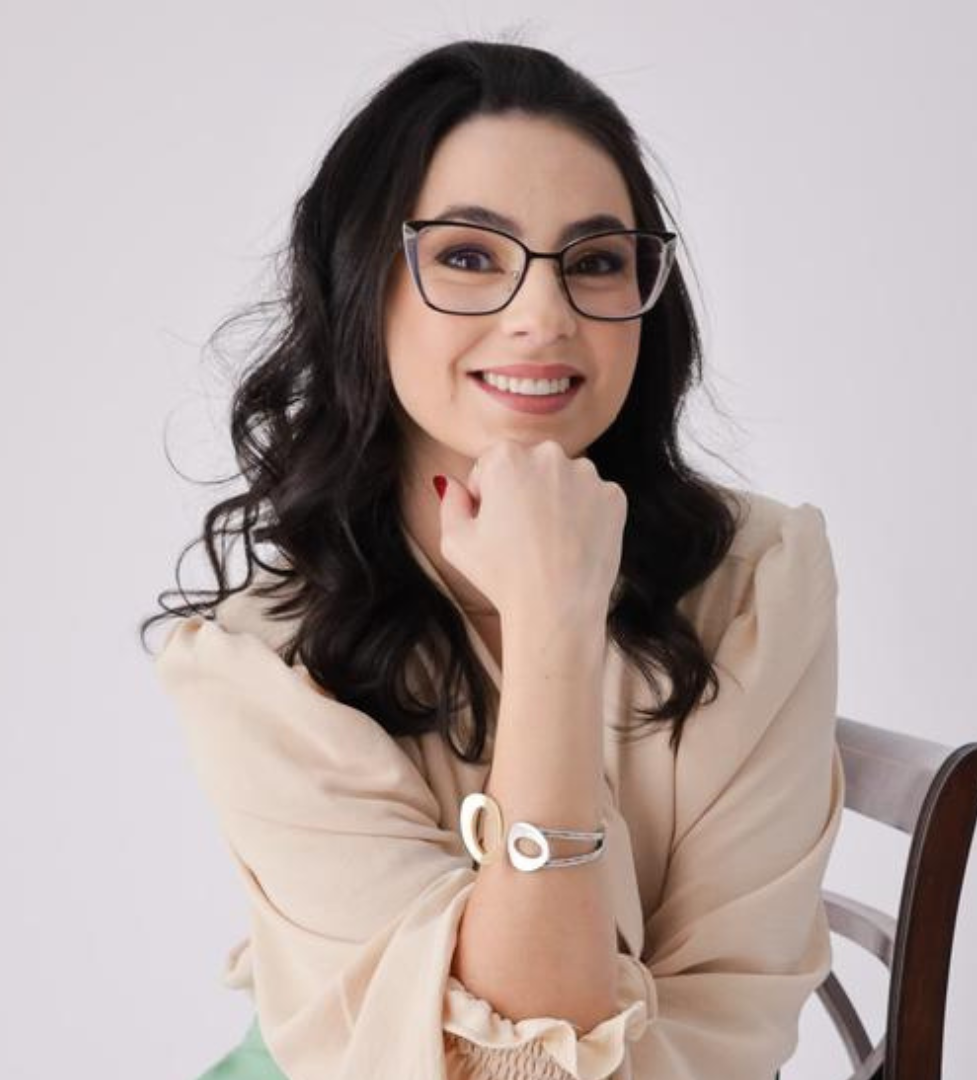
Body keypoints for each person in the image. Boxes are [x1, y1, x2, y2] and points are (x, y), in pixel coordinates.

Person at [142, 35, 844, 1080]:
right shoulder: (259, 666)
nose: (543, 318)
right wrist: (554, 622)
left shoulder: (756, 583)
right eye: (469, 256)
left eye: (596, 261)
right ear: (362, 284)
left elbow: (721, 1024)